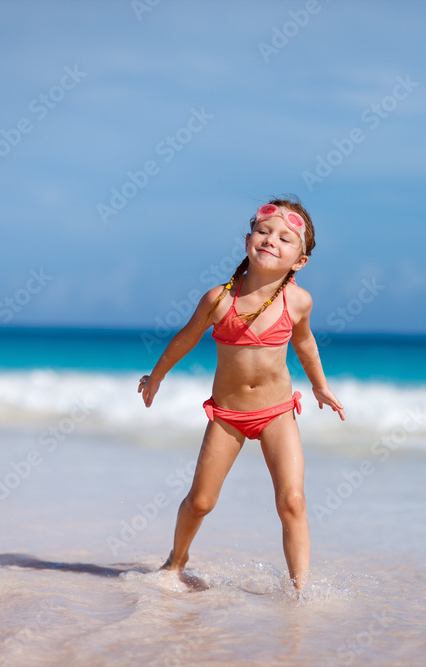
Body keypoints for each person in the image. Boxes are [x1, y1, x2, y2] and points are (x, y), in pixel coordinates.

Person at [138, 197, 345, 592]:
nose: (271, 240)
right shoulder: (220, 299)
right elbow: (186, 338)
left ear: (299, 261)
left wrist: (320, 385)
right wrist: (157, 376)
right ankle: (175, 562)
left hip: (278, 413)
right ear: (249, 239)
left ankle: (300, 591)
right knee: (201, 501)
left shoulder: (297, 301)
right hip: (228, 416)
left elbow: (305, 345)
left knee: (292, 501)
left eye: (286, 238)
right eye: (264, 232)